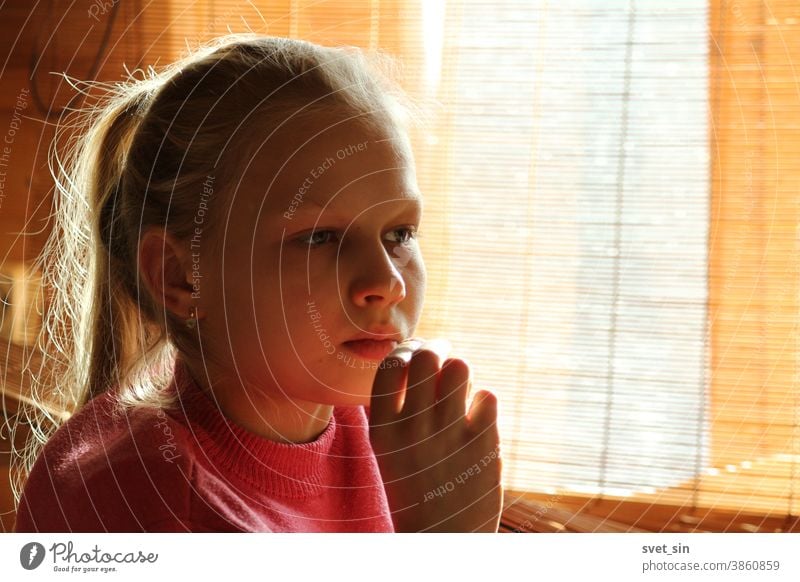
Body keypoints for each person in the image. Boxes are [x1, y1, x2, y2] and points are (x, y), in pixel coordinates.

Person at [12, 34, 503, 533]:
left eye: (399, 233)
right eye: (320, 238)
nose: (387, 282)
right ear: (182, 276)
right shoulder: (142, 497)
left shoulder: (379, 435)